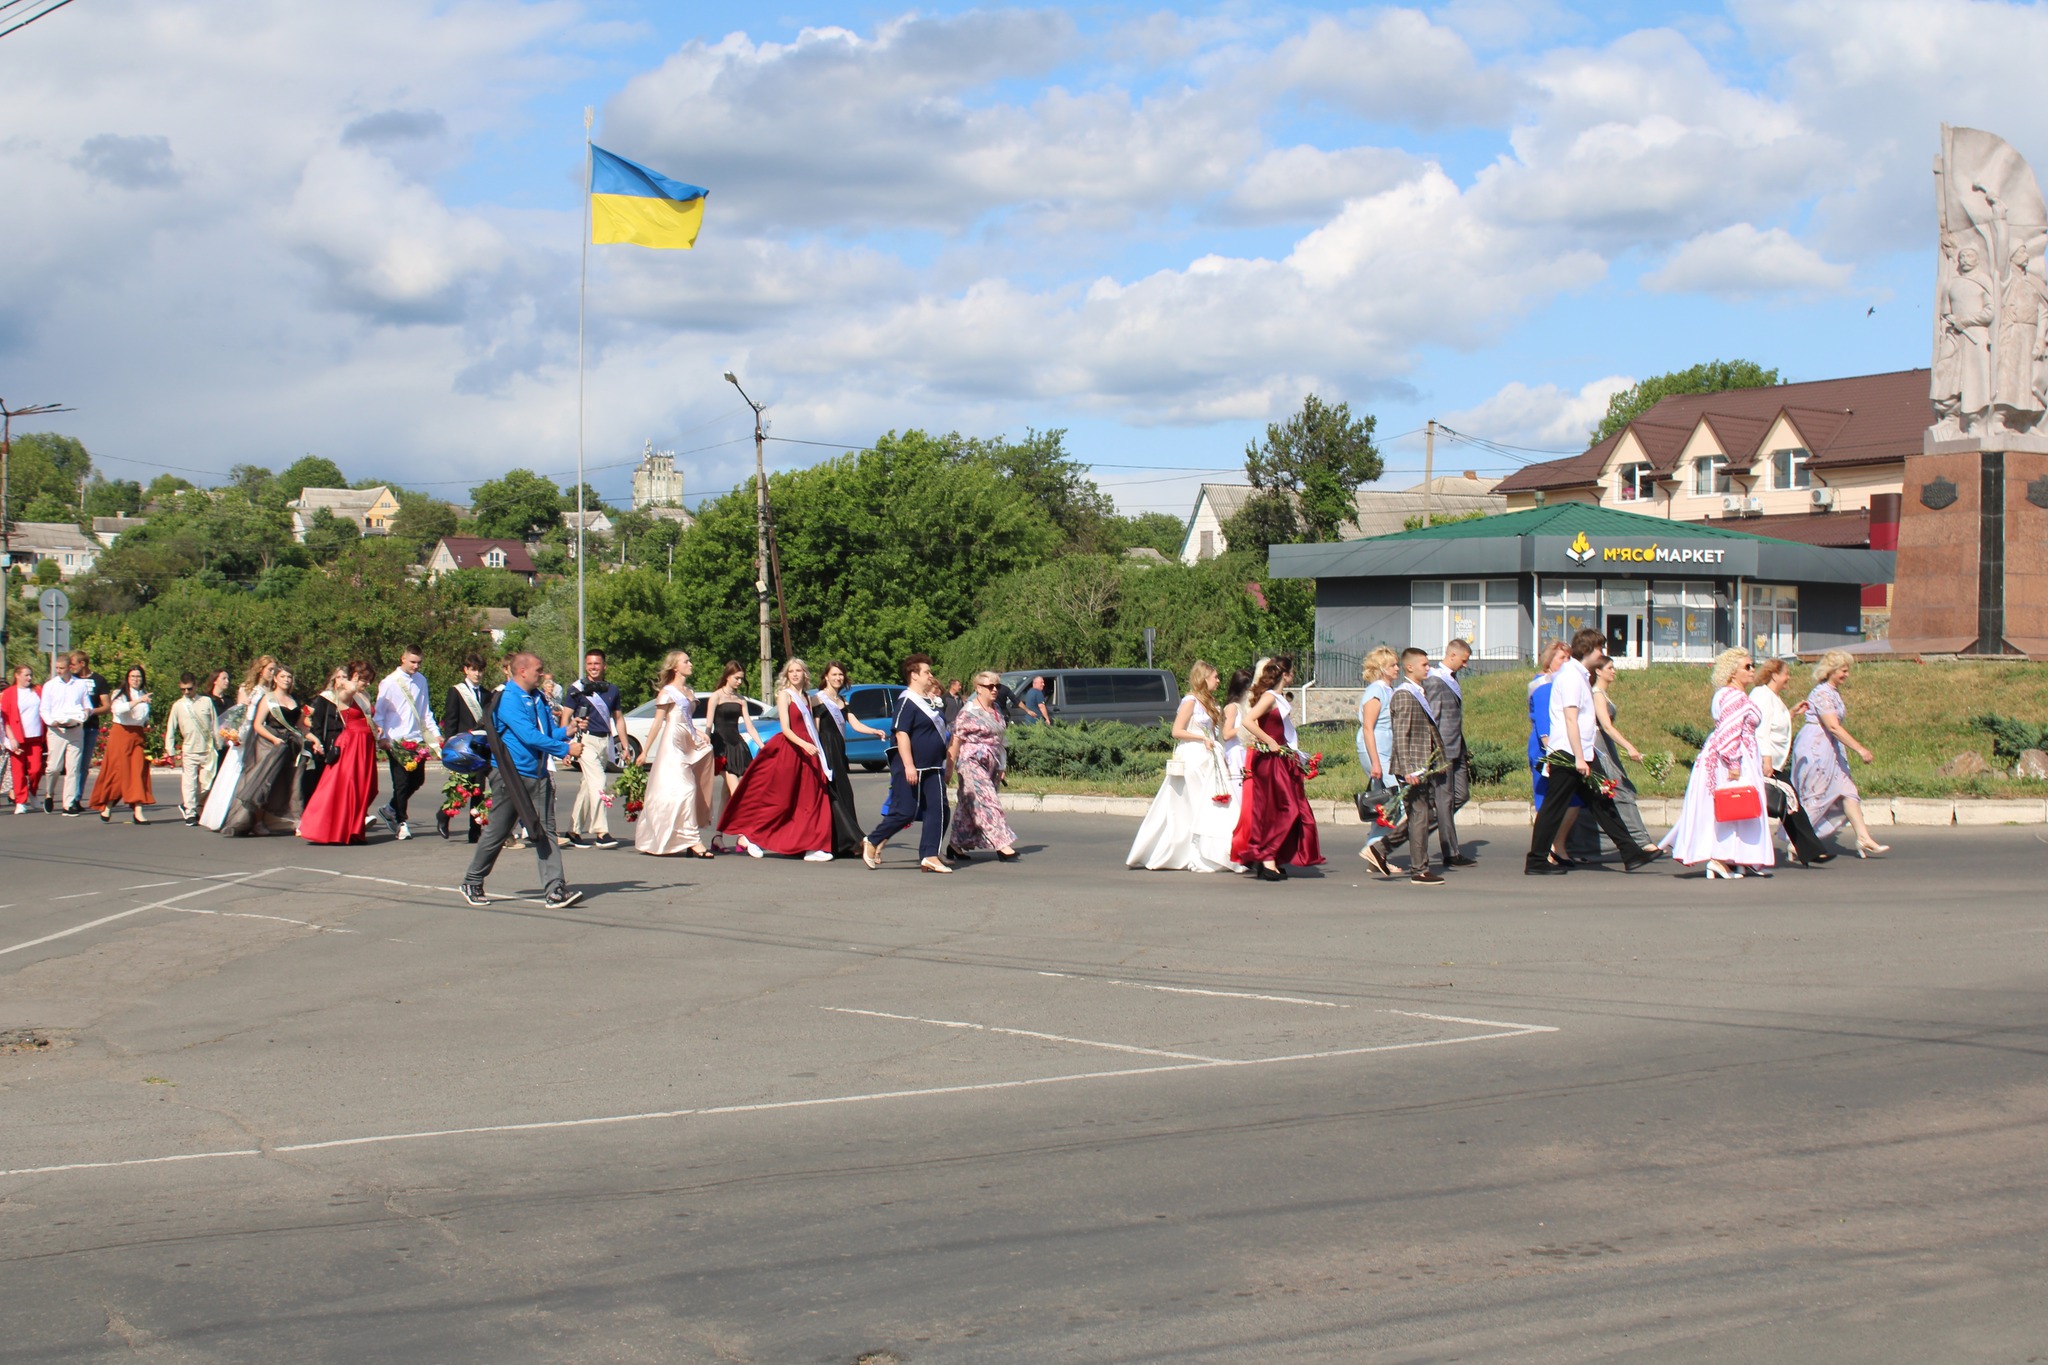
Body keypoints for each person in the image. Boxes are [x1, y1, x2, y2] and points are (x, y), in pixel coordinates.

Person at [1526, 629, 1662, 876]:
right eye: (1599, 648)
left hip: (1581, 752)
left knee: (1602, 801)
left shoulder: (1579, 675)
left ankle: (1631, 853)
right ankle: (1536, 860)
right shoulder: (1571, 677)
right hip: (1568, 753)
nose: (1602, 653)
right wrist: (1580, 758)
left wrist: (1586, 755)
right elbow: (1570, 719)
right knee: (1554, 807)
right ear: (1588, 650)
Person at [460, 651, 582, 908]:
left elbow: (545, 733)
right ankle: (472, 880)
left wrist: (566, 731)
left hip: (538, 774)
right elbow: (528, 736)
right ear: (522, 671)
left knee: (546, 831)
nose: (542, 673)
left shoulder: (538, 698)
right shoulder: (509, 699)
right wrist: (565, 749)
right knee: (498, 830)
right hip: (510, 776)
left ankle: (555, 889)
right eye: (538, 669)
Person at [1661, 649, 1773, 878]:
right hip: (1732, 758)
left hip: (1730, 756)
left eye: (1752, 665)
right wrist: (1734, 763)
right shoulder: (1733, 696)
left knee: (1733, 808)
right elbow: (1729, 732)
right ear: (1732, 672)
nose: (1752, 670)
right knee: (1734, 806)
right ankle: (1720, 859)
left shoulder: (1729, 694)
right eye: (1747, 666)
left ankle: (1736, 858)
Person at [718, 657, 835, 861]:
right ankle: (752, 837)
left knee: (810, 799)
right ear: (787, 675)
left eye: (798, 671)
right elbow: (786, 729)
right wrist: (805, 745)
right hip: (792, 750)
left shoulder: (807, 697)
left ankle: (811, 846)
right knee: (780, 800)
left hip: (809, 752)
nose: (795, 674)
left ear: (805, 674)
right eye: (791, 671)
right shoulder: (785, 695)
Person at [1128, 661, 1240, 872]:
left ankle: (1214, 851)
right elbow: (1177, 731)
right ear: (1204, 678)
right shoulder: (1191, 701)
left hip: (1210, 756)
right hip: (1194, 757)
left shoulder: (1211, 701)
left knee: (1210, 805)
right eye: (1215, 677)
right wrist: (1201, 738)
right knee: (1193, 804)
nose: (1218, 681)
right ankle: (1190, 851)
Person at [1232, 657, 1323, 881]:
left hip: (1282, 758)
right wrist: (1270, 741)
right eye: (1292, 671)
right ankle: (1267, 858)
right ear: (1285, 674)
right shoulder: (1269, 697)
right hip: (1270, 760)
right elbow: (1248, 721)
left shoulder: (1278, 697)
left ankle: (1272, 859)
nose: (1294, 675)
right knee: (1283, 809)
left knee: (1286, 808)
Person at [1791, 650, 1889, 857]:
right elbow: (1833, 726)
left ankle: (1863, 837)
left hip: (1831, 747)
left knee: (1848, 791)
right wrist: (1860, 749)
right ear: (1831, 670)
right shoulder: (1822, 693)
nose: (1847, 675)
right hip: (1817, 748)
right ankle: (1798, 841)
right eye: (1843, 670)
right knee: (1816, 795)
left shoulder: (1832, 692)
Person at [863, 654, 953, 873]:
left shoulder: (929, 701)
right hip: (911, 765)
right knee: (905, 811)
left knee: (939, 809)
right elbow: (901, 733)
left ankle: (930, 855)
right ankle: (873, 841)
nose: (931, 676)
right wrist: (909, 765)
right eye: (927, 672)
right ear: (914, 675)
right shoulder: (906, 701)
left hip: (933, 765)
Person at [1564, 654, 1657, 860]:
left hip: (1605, 745)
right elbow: (1606, 726)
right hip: (1599, 746)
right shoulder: (1597, 693)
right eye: (1610, 668)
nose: (1614, 671)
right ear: (1598, 671)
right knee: (1619, 789)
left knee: (1604, 793)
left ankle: (1581, 845)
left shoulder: (1601, 693)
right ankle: (1641, 841)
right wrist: (1630, 747)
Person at [1751, 658, 1832, 867]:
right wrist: (1766, 760)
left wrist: (1792, 713)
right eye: (1786, 673)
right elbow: (1761, 730)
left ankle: (1809, 850)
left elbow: (1775, 723)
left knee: (1789, 804)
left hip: (1773, 762)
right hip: (1765, 762)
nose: (1788, 678)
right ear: (1774, 675)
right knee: (1790, 801)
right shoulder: (1762, 695)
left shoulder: (1773, 698)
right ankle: (1811, 850)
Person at [636, 650, 715, 858]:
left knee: (683, 789)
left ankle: (683, 838)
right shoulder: (667, 692)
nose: (690, 664)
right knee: (686, 788)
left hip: (687, 739)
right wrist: (645, 751)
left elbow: (686, 719)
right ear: (675, 667)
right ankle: (693, 840)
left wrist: (698, 732)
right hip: (673, 743)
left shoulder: (689, 691)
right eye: (686, 661)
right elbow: (658, 722)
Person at [299, 663, 381, 846]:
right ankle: (335, 831)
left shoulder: (365, 695)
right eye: (365, 679)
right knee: (347, 786)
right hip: (351, 743)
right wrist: (350, 680)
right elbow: (347, 691)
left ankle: (354, 830)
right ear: (355, 676)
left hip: (365, 743)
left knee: (364, 787)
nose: (367, 684)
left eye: (369, 680)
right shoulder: (345, 692)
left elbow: (367, 717)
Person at [223, 666, 310, 837]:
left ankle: (294, 820)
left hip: (291, 745)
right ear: (275, 679)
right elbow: (258, 724)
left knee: (293, 783)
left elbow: (300, 726)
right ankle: (258, 822)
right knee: (265, 784)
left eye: (289, 677)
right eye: (283, 676)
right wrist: (274, 739)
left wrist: (314, 740)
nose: (287, 680)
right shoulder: (268, 699)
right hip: (270, 745)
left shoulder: (294, 699)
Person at [812, 661, 886, 861]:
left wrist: (874, 731)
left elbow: (855, 724)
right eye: (834, 674)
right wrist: (817, 754)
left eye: (841, 674)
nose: (838, 678)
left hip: (839, 749)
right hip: (825, 748)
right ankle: (852, 840)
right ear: (826, 676)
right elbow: (815, 729)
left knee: (845, 794)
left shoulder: (843, 700)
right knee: (833, 793)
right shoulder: (818, 699)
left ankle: (845, 842)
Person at [1387, 647, 1446, 886]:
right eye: (1424, 664)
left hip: (1424, 764)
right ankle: (1419, 870)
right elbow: (1401, 735)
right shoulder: (1404, 694)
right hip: (1413, 767)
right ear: (1410, 667)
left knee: (1423, 815)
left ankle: (1381, 848)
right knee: (1420, 817)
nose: (1428, 668)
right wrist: (1408, 769)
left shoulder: (1419, 692)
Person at [948, 670, 1020, 862]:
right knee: (987, 800)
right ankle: (1002, 844)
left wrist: (1002, 766)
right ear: (978, 688)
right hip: (971, 761)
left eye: (997, 686)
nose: (994, 689)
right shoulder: (969, 711)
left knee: (968, 804)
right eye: (990, 686)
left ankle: (955, 845)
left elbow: (1000, 740)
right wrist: (949, 768)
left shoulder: (996, 709)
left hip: (992, 761)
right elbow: (956, 739)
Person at [199, 657, 277, 832]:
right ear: (261, 670)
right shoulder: (247, 688)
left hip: (263, 732)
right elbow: (239, 713)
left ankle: (255, 819)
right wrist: (235, 734)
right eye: (270, 669)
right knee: (237, 771)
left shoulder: (272, 691)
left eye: (274, 670)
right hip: (246, 733)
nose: (272, 673)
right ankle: (227, 815)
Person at [373, 647, 441, 841]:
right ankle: (401, 822)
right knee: (401, 782)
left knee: (417, 780)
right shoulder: (390, 682)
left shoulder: (421, 681)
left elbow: (425, 711)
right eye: (412, 662)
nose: (416, 666)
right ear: (402, 658)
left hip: (416, 739)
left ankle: (390, 808)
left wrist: (436, 734)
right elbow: (380, 713)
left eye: (419, 662)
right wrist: (382, 737)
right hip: (396, 740)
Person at [1526, 640, 1582, 864]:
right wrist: (1552, 755)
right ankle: (1546, 849)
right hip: (1547, 750)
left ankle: (1558, 846)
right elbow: (1544, 726)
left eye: (1569, 658)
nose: (1566, 662)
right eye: (1562, 658)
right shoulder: (1542, 685)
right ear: (1549, 661)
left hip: (1562, 748)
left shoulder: (1561, 683)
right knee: (1547, 801)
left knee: (1573, 800)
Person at [1422, 638, 1475, 867]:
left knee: (1460, 795)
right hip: (1443, 749)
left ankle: (1418, 825)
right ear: (1452, 655)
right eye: (1463, 660)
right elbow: (1433, 717)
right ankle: (1451, 852)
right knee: (1444, 801)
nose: (1465, 665)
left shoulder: (1451, 678)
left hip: (1457, 747)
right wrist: (1434, 751)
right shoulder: (1435, 680)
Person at [564, 649, 622, 850]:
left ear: (604, 666)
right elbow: (566, 716)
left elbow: (618, 719)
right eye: (589, 664)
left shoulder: (612, 690)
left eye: (597, 663)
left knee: (587, 787)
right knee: (599, 781)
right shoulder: (576, 689)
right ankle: (601, 831)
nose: (593, 667)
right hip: (585, 741)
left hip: (604, 741)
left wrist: (624, 746)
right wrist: (565, 746)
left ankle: (573, 831)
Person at [1354, 647, 1401, 877]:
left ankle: (1375, 852)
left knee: (1383, 801)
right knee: (1396, 800)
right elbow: (1368, 728)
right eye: (1393, 665)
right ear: (1382, 668)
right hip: (1375, 749)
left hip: (1386, 748)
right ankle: (1375, 849)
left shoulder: (1390, 690)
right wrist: (1375, 762)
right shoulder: (1375, 691)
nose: (1397, 668)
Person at [89, 665, 156, 823]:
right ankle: (108, 806)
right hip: (121, 734)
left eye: (138, 677)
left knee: (138, 771)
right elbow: (118, 710)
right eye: (133, 676)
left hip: (137, 736)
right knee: (119, 771)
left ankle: (138, 811)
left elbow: (142, 717)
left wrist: (147, 723)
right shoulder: (120, 694)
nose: (136, 680)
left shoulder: (144, 694)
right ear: (127, 678)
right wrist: (138, 701)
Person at [706, 662, 762, 843]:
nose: (739, 682)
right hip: (721, 747)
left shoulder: (741, 699)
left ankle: (717, 837)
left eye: (741, 679)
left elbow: (750, 726)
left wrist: (762, 745)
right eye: (736, 678)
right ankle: (742, 834)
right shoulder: (716, 696)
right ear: (727, 676)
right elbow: (708, 725)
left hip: (737, 746)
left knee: (726, 794)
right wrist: (705, 742)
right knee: (737, 791)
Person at [38, 653, 95, 816]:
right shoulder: (50, 685)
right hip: (57, 730)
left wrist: (85, 714)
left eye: (62, 668)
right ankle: (49, 793)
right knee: (53, 768)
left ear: (70, 667)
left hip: (75, 729)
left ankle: (68, 804)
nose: (59, 671)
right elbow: (44, 709)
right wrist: (51, 722)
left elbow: (87, 705)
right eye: (57, 668)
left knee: (73, 768)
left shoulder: (80, 684)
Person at [163, 673, 218, 824]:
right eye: (183, 689)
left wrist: (218, 743)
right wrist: (170, 751)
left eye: (189, 688)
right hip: (189, 750)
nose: (186, 692)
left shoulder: (206, 701)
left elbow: (215, 724)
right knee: (190, 783)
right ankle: (190, 811)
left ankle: (191, 804)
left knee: (207, 784)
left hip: (207, 749)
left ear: (196, 686)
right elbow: (171, 729)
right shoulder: (178, 705)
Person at [301, 668, 348, 813]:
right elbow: (316, 722)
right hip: (329, 742)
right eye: (339, 677)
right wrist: (318, 743)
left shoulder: (351, 699)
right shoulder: (325, 698)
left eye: (345, 677)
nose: (342, 680)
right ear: (333, 680)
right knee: (323, 779)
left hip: (346, 741)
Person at [4, 663, 47, 815]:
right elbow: (5, 719)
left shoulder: (37, 690)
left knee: (36, 769)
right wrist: (11, 738)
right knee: (18, 772)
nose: (29, 678)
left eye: (30, 675)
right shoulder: (9, 693)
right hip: (18, 738)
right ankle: (20, 801)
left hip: (35, 736)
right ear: (17, 675)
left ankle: (32, 792)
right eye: (26, 675)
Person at [71, 651, 111, 797]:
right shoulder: (71, 680)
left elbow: (107, 706)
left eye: (73, 664)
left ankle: (76, 797)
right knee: (72, 764)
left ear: (82, 664)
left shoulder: (99, 680)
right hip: (72, 727)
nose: (70, 667)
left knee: (83, 764)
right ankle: (69, 797)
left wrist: (90, 712)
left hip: (90, 727)